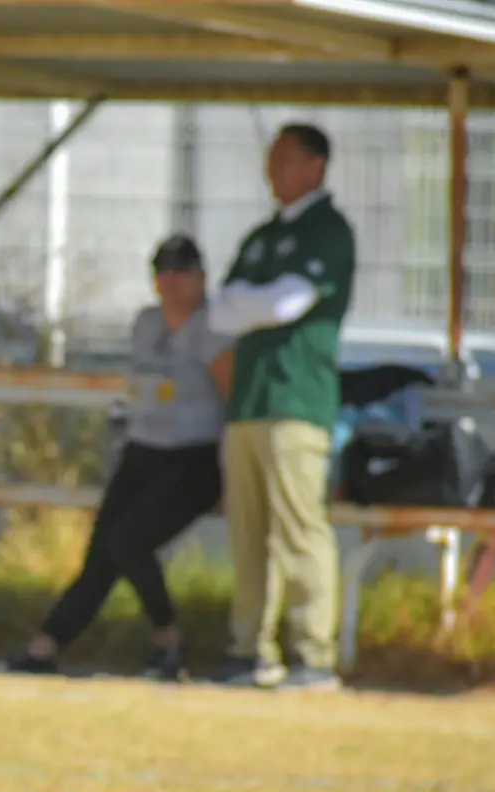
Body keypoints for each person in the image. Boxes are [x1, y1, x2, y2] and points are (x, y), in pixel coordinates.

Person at [0, 235, 232, 680]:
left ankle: (169, 642)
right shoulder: (147, 323)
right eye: (164, 272)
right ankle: (46, 645)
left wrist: (230, 473)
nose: (173, 282)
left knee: (130, 541)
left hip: (195, 458)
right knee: (102, 552)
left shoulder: (214, 326)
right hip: (144, 449)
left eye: (183, 272)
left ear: (202, 278)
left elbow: (232, 397)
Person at [209, 123, 355, 692]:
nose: (272, 171)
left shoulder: (329, 230)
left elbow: (291, 301)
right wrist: (257, 304)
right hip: (248, 398)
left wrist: (255, 303)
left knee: (299, 530)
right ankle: (250, 649)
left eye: (283, 160)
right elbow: (222, 312)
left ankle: (313, 653)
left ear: (315, 165)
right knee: (248, 531)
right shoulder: (262, 235)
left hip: (297, 401)